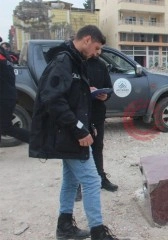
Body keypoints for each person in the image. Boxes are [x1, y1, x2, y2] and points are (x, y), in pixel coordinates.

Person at [29, 25, 119, 240]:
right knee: (91, 180)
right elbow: (52, 98)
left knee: (70, 181)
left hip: (68, 132)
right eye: (96, 47)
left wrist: (85, 94)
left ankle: (65, 226)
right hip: (67, 134)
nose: (97, 53)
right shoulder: (64, 61)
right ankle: (98, 232)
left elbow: (69, 97)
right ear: (87, 39)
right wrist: (79, 130)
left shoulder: (76, 62)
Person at [75, 57, 118, 201]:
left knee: (97, 147)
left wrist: (105, 96)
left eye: (100, 50)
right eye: (97, 48)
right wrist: (87, 90)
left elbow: (108, 87)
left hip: (98, 113)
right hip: (80, 114)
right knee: (80, 150)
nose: (98, 52)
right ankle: (77, 186)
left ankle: (101, 178)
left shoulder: (101, 65)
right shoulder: (76, 62)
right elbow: (70, 88)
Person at [0, 37, 29, 144]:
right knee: (5, 127)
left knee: (6, 127)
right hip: (8, 95)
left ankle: (37, 143)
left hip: (4, 97)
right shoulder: (5, 55)